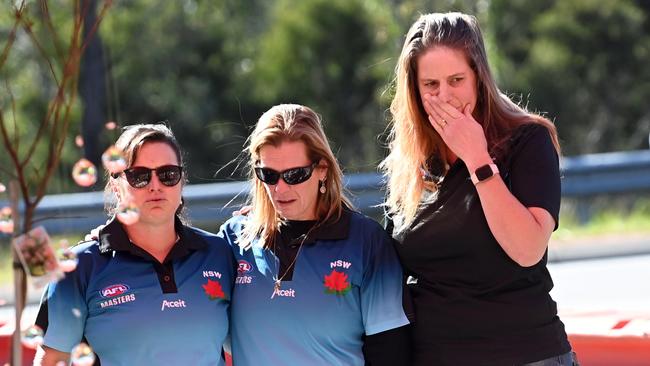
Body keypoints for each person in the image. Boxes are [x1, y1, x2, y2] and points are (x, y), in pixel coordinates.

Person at [380, 12, 577, 366]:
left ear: (479, 77)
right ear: (414, 90)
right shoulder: (413, 161)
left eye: (456, 80)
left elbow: (528, 249)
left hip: (526, 354)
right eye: (430, 85)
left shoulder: (527, 140)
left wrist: (477, 159)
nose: (445, 97)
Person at [218, 104, 410, 366]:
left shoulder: (366, 241)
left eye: (295, 175)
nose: (280, 188)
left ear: (322, 169)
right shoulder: (233, 239)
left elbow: (390, 352)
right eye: (269, 175)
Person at [34, 124, 235, 365]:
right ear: (117, 185)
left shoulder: (220, 253)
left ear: (182, 181)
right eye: (139, 176)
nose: (155, 185)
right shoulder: (80, 267)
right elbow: (52, 359)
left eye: (168, 174)